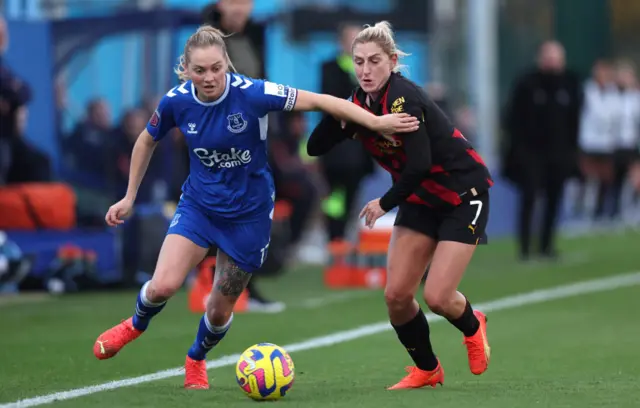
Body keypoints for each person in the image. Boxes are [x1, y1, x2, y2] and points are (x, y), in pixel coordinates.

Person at [92, 25, 419, 390]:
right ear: (185, 70)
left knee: (219, 309)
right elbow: (145, 140)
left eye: (216, 67)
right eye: (200, 70)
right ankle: (134, 325)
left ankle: (196, 358)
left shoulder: (254, 92)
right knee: (163, 285)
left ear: (226, 63)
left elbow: (323, 101)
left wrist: (375, 122)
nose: (210, 77)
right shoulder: (176, 101)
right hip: (199, 208)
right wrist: (129, 196)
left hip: (249, 216)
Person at [307, 21, 493, 390]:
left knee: (438, 297)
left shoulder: (404, 98)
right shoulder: (361, 104)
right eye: (358, 61)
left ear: (392, 62)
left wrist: (385, 203)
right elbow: (316, 146)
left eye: (374, 61)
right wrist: (343, 111)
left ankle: (474, 325)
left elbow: (420, 164)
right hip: (420, 200)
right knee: (396, 296)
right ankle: (427, 369)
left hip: (462, 195)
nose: (365, 70)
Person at [503, 41, 582, 261]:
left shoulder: (570, 84)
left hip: (560, 153)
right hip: (531, 153)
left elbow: (575, 120)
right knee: (530, 197)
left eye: (557, 58)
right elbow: (512, 118)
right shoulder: (527, 83)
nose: (553, 62)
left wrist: (573, 152)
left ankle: (547, 245)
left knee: (554, 199)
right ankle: (525, 248)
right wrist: (516, 150)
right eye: (549, 57)